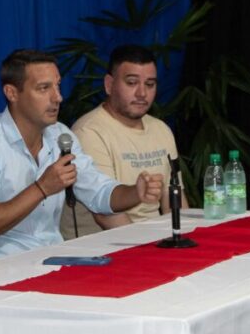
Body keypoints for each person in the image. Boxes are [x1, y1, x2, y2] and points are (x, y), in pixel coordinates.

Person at [0, 49, 163, 258]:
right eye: (44, 88)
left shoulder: (61, 136)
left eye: (57, 86)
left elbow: (99, 193)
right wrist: (42, 188)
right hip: (3, 266)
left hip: (55, 256)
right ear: (12, 93)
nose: (58, 97)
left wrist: (135, 192)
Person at [70, 44, 180, 229]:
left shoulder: (161, 129)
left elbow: (175, 198)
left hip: (156, 239)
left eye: (150, 84)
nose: (142, 93)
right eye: (131, 83)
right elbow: (106, 214)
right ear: (109, 85)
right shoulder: (88, 132)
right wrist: (148, 252)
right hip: (106, 247)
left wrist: (184, 238)